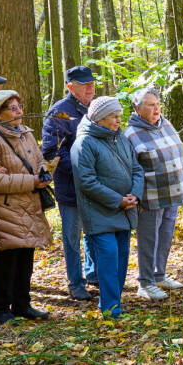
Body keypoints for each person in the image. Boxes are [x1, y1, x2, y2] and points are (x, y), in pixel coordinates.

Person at [0, 90, 52, 323]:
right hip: (7, 206)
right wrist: (32, 181)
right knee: (7, 259)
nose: (19, 111)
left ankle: (22, 304)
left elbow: (38, 160)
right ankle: (1, 310)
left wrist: (43, 171)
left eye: (19, 106)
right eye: (12, 108)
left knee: (26, 256)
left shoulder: (25, 133)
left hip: (30, 203)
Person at [71, 96, 144, 316]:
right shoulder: (84, 143)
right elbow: (87, 182)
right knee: (109, 258)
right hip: (99, 213)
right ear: (100, 118)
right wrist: (118, 200)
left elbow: (137, 169)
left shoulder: (120, 138)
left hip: (125, 211)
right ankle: (111, 308)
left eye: (119, 115)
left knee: (122, 259)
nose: (118, 120)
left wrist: (135, 195)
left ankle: (113, 302)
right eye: (114, 116)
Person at [123, 87, 183, 299]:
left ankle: (159, 274)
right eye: (150, 105)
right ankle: (145, 282)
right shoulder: (131, 134)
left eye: (157, 104)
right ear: (137, 108)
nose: (156, 108)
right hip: (150, 196)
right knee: (149, 239)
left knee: (166, 236)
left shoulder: (165, 124)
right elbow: (130, 168)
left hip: (173, 193)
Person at [43, 65, 98, 301]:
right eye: (84, 85)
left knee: (94, 232)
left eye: (92, 84)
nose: (90, 88)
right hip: (70, 186)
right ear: (70, 87)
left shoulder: (96, 109)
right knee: (72, 236)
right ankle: (76, 282)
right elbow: (51, 152)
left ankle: (93, 274)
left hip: (95, 186)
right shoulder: (59, 113)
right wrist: (82, 168)